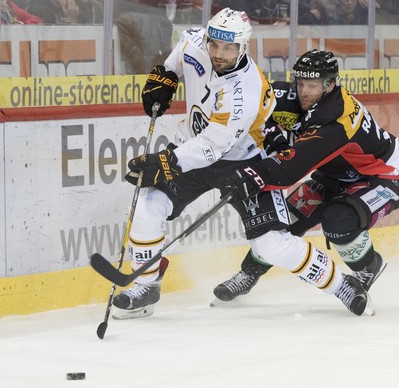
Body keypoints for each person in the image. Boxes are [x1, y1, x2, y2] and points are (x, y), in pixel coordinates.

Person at [111, 8, 372, 319]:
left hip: (245, 162)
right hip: (191, 146)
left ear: (243, 47)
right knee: (146, 206)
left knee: (270, 244)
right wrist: (165, 76)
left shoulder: (244, 92)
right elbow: (178, 55)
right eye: (214, 45)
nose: (218, 54)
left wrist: (165, 162)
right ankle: (146, 285)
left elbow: (211, 148)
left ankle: (341, 285)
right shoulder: (196, 43)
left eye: (228, 48)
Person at [212, 49, 399, 306]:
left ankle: (368, 267)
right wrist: (270, 130)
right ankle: (248, 274)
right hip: (333, 177)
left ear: (330, 85)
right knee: (281, 222)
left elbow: (290, 170)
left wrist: (251, 176)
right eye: (300, 82)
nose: (303, 91)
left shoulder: (336, 119)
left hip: (382, 178)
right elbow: (252, 100)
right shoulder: (297, 96)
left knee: (337, 220)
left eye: (312, 85)